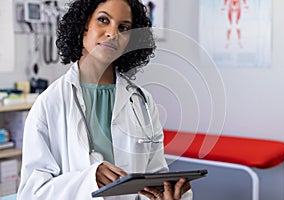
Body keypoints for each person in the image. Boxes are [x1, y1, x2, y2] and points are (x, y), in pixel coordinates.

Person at [17, 0, 193, 199]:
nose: (112, 33)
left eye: (124, 27)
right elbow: (32, 194)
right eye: (103, 20)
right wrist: (89, 180)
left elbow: (155, 175)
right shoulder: (50, 104)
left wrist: (167, 195)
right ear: (83, 26)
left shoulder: (142, 101)